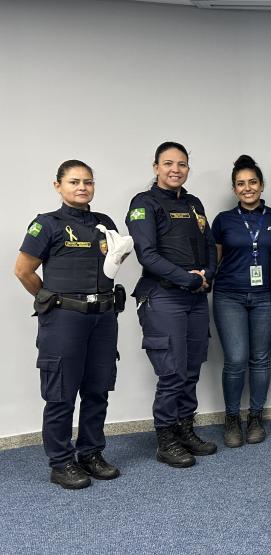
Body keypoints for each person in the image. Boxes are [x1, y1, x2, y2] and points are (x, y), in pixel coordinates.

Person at [15, 160, 133, 488]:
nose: (82, 187)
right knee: (62, 392)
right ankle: (62, 462)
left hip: (104, 318)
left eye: (88, 182)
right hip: (65, 319)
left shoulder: (103, 223)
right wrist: (51, 299)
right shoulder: (46, 224)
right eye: (74, 182)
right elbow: (23, 270)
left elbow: (112, 261)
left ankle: (91, 453)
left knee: (97, 388)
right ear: (58, 186)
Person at [126, 141, 218, 468]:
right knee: (172, 371)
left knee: (191, 368)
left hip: (194, 298)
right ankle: (165, 439)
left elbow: (209, 246)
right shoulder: (143, 204)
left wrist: (207, 273)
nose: (175, 169)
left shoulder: (193, 204)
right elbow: (146, 255)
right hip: (162, 296)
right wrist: (189, 278)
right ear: (155, 167)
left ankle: (185, 429)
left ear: (188, 169)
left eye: (181, 164)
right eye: (168, 163)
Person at [211, 155, 271, 447]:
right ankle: (231, 419)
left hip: (267, 297)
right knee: (236, 360)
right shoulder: (223, 220)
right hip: (229, 296)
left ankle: (255, 417)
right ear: (234, 189)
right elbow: (214, 260)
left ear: (262, 185)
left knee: (260, 360)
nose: (247, 188)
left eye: (253, 182)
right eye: (241, 184)